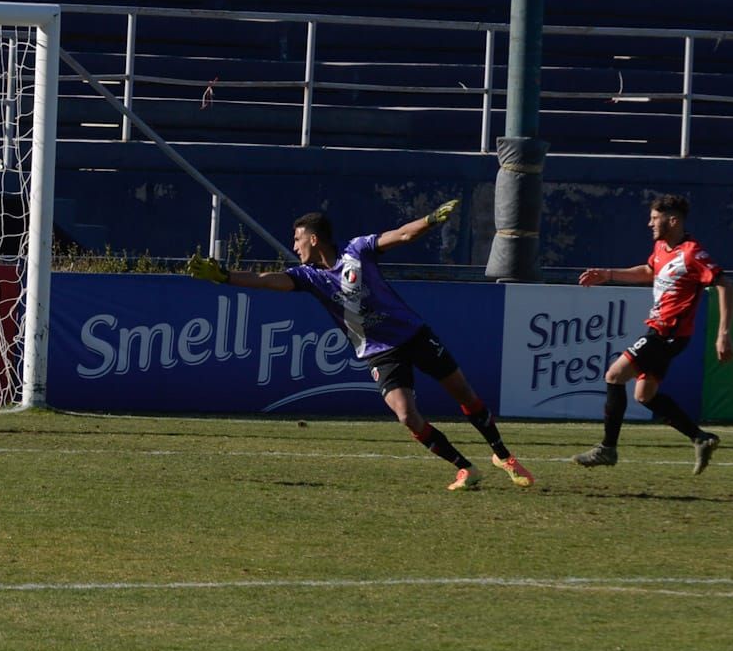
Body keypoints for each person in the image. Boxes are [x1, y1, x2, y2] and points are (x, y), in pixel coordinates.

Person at [186, 200, 534, 492]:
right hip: (379, 351)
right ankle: (465, 468)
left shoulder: (358, 250)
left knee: (464, 394)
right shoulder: (309, 277)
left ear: (314, 238)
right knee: (406, 415)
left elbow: (402, 234)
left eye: (297, 239)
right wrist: (225, 277)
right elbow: (265, 280)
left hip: (413, 335)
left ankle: (503, 455)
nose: (294, 246)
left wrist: (429, 220)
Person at [571, 194, 733, 475]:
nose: (650, 224)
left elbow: (725, 285)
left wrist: (724, 333)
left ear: (673, 220)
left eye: (655, 218)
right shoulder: (661, 247)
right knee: (645, 395)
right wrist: (608, 274)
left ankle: (607, 448)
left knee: (614, 375)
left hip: (668, 333)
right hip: (660, 331)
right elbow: (649, 271)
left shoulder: (692, 254)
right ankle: (701, 437)